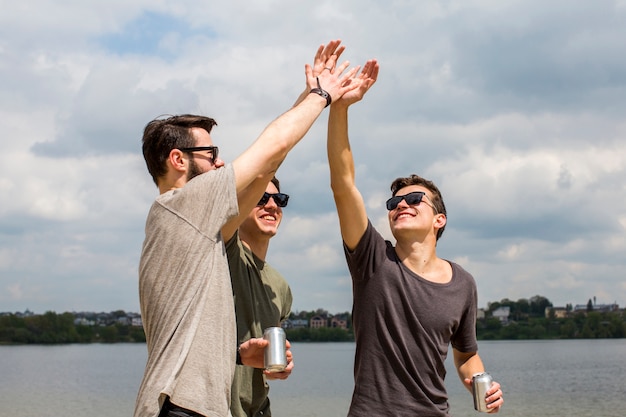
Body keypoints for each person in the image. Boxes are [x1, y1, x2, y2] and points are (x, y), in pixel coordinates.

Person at [135, 40, 362, 417]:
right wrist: (321, 96)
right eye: (211, 155)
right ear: (177, 160)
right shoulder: (181, 207)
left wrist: (240, 354)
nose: (221, 163)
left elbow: (266, 166)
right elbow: (268, 150)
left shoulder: (195, 228)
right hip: (180, 409)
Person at [326, 61, 505, 416]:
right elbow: (342, 183)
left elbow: (466, 354)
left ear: (440, 219)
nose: (401, 205)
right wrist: (340, 108)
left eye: (413, 199)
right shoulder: (372, 259)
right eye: (394, 202)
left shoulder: (463, 284)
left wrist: (481, 380)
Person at [224, 177, 293, 417]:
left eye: (279, 199)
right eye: (261, 198)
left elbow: (262, 359)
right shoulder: (224, 254)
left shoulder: (281, 288)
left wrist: (279, 366)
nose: (272, 206)